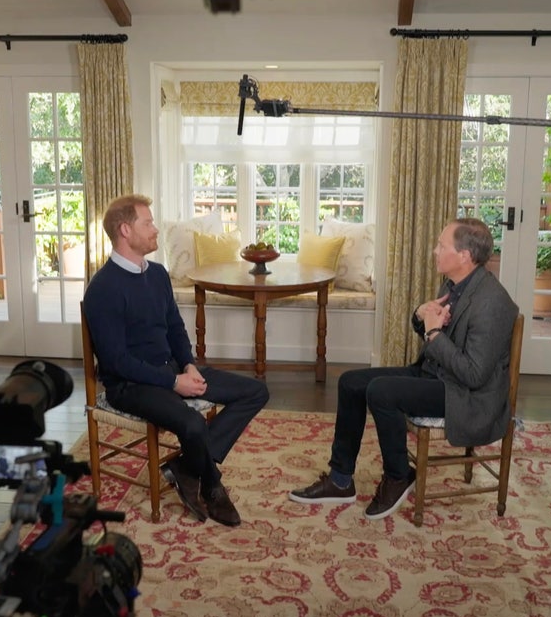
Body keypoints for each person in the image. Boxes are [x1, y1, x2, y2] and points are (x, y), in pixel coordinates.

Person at [289, 218, 518, 521]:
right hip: (436, 375)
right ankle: (341, 480)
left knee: (382, 392)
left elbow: (474, 375)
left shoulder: (493, 303)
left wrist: (434, 334)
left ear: (465, 256)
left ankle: (398, 476)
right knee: (350, 383)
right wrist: (421, 315)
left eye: (441, 246)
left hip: (465, 395)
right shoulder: (455, 284)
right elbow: (432, 327)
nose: (434, 251)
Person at [83, 195, 269, 526]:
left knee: (256, 392)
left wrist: (188, 366)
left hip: (171, 372)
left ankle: (184, 466)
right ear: (125, 230)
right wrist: (173, 383)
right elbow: (115, 362)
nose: (155, 229)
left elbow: (174, 328)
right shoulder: (103, 289)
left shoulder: (157, 274)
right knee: (192, 423)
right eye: (148, 223)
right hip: (130, 385)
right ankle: (212, 485)